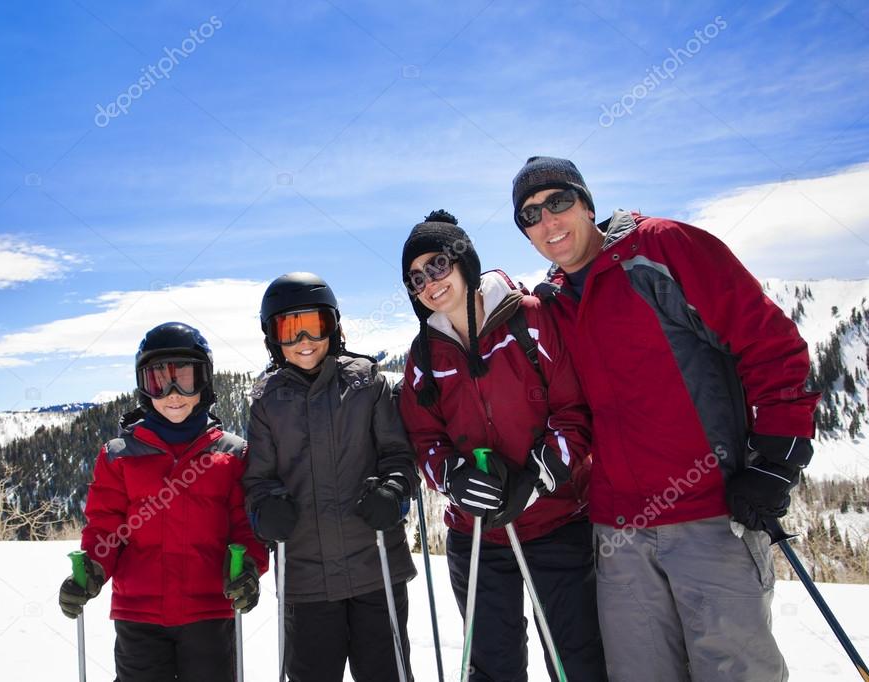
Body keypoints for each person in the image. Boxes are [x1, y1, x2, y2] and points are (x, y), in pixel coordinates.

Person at [510, 156, 821, 681]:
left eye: (557, 202)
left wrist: (777, 458)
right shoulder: (555, 302)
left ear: (586, 203)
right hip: (619, 531)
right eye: (529, 216)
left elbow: (770, 343)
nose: (547, 221)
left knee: (735, 671)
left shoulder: (661, 249)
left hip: (710, 516)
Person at [397, 210, 607, 682]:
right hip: (477, 536)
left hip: (556, 523)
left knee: (577, 658)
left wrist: (536, 479)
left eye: (438, 266)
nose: (429, 283)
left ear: (464, 262)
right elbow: (424, 440)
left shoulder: (528, 319)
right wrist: (454, 479)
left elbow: (574, 412)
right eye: (416, 279)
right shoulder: (424, 356)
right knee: (492, 667)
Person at [58, 321, 268, 681]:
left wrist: (247, 567)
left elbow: (245, 525)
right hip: (140, 616)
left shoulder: (231, 454)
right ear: (144, 387)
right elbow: (105, 527)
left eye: (184, 379)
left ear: (204, 382)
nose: (173, 393)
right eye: (159, 381)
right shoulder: (118, 456)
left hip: (210, 612)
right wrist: (92, 568)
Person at [243, 272, 418, 682]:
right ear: (273, 338)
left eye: (315, 325)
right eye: (289, 329)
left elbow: (399, 456)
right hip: (306, 582)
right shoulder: (268, 402)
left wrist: (394, 491)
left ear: (334, 327)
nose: (304, 340)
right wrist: (265, 509)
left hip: (376, 570)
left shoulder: (366, 383)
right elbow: (258, 479)